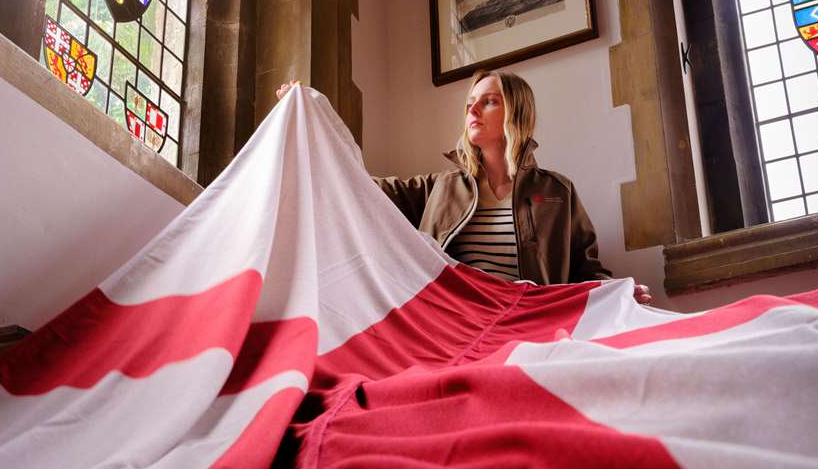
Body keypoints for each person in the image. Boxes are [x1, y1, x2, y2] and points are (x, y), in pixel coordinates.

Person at [276, 69, 652, 302]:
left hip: (529, 324)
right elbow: (354, 185)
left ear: (517, 114)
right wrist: (308, 123)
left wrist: (617, 294)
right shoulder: (437, 189)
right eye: (470, 103)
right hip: (453, 324)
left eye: (488, 102)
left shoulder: (557, 192)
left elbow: (587, 273)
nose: (471, 111)